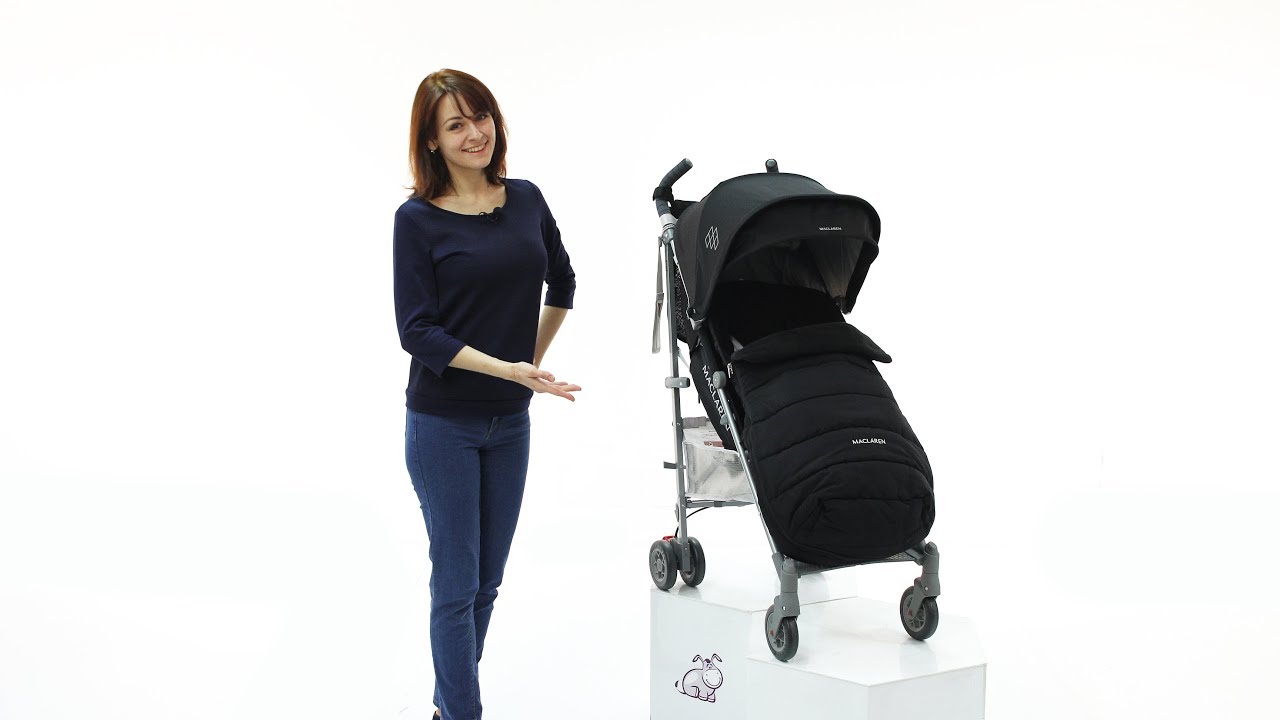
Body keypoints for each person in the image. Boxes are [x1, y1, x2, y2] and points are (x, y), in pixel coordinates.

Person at [393, 68, 578, 720]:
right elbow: (417, 332)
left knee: (485, 585)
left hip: (510, 424)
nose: (475, 133)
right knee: (455, 586)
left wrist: (529, 368)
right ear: (432, 141)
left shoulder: (526, 199)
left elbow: (563, 283)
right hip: (443, 426)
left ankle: (448, 708)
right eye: (455, 124)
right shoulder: (417, 220)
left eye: (481, 117)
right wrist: (509, 369)